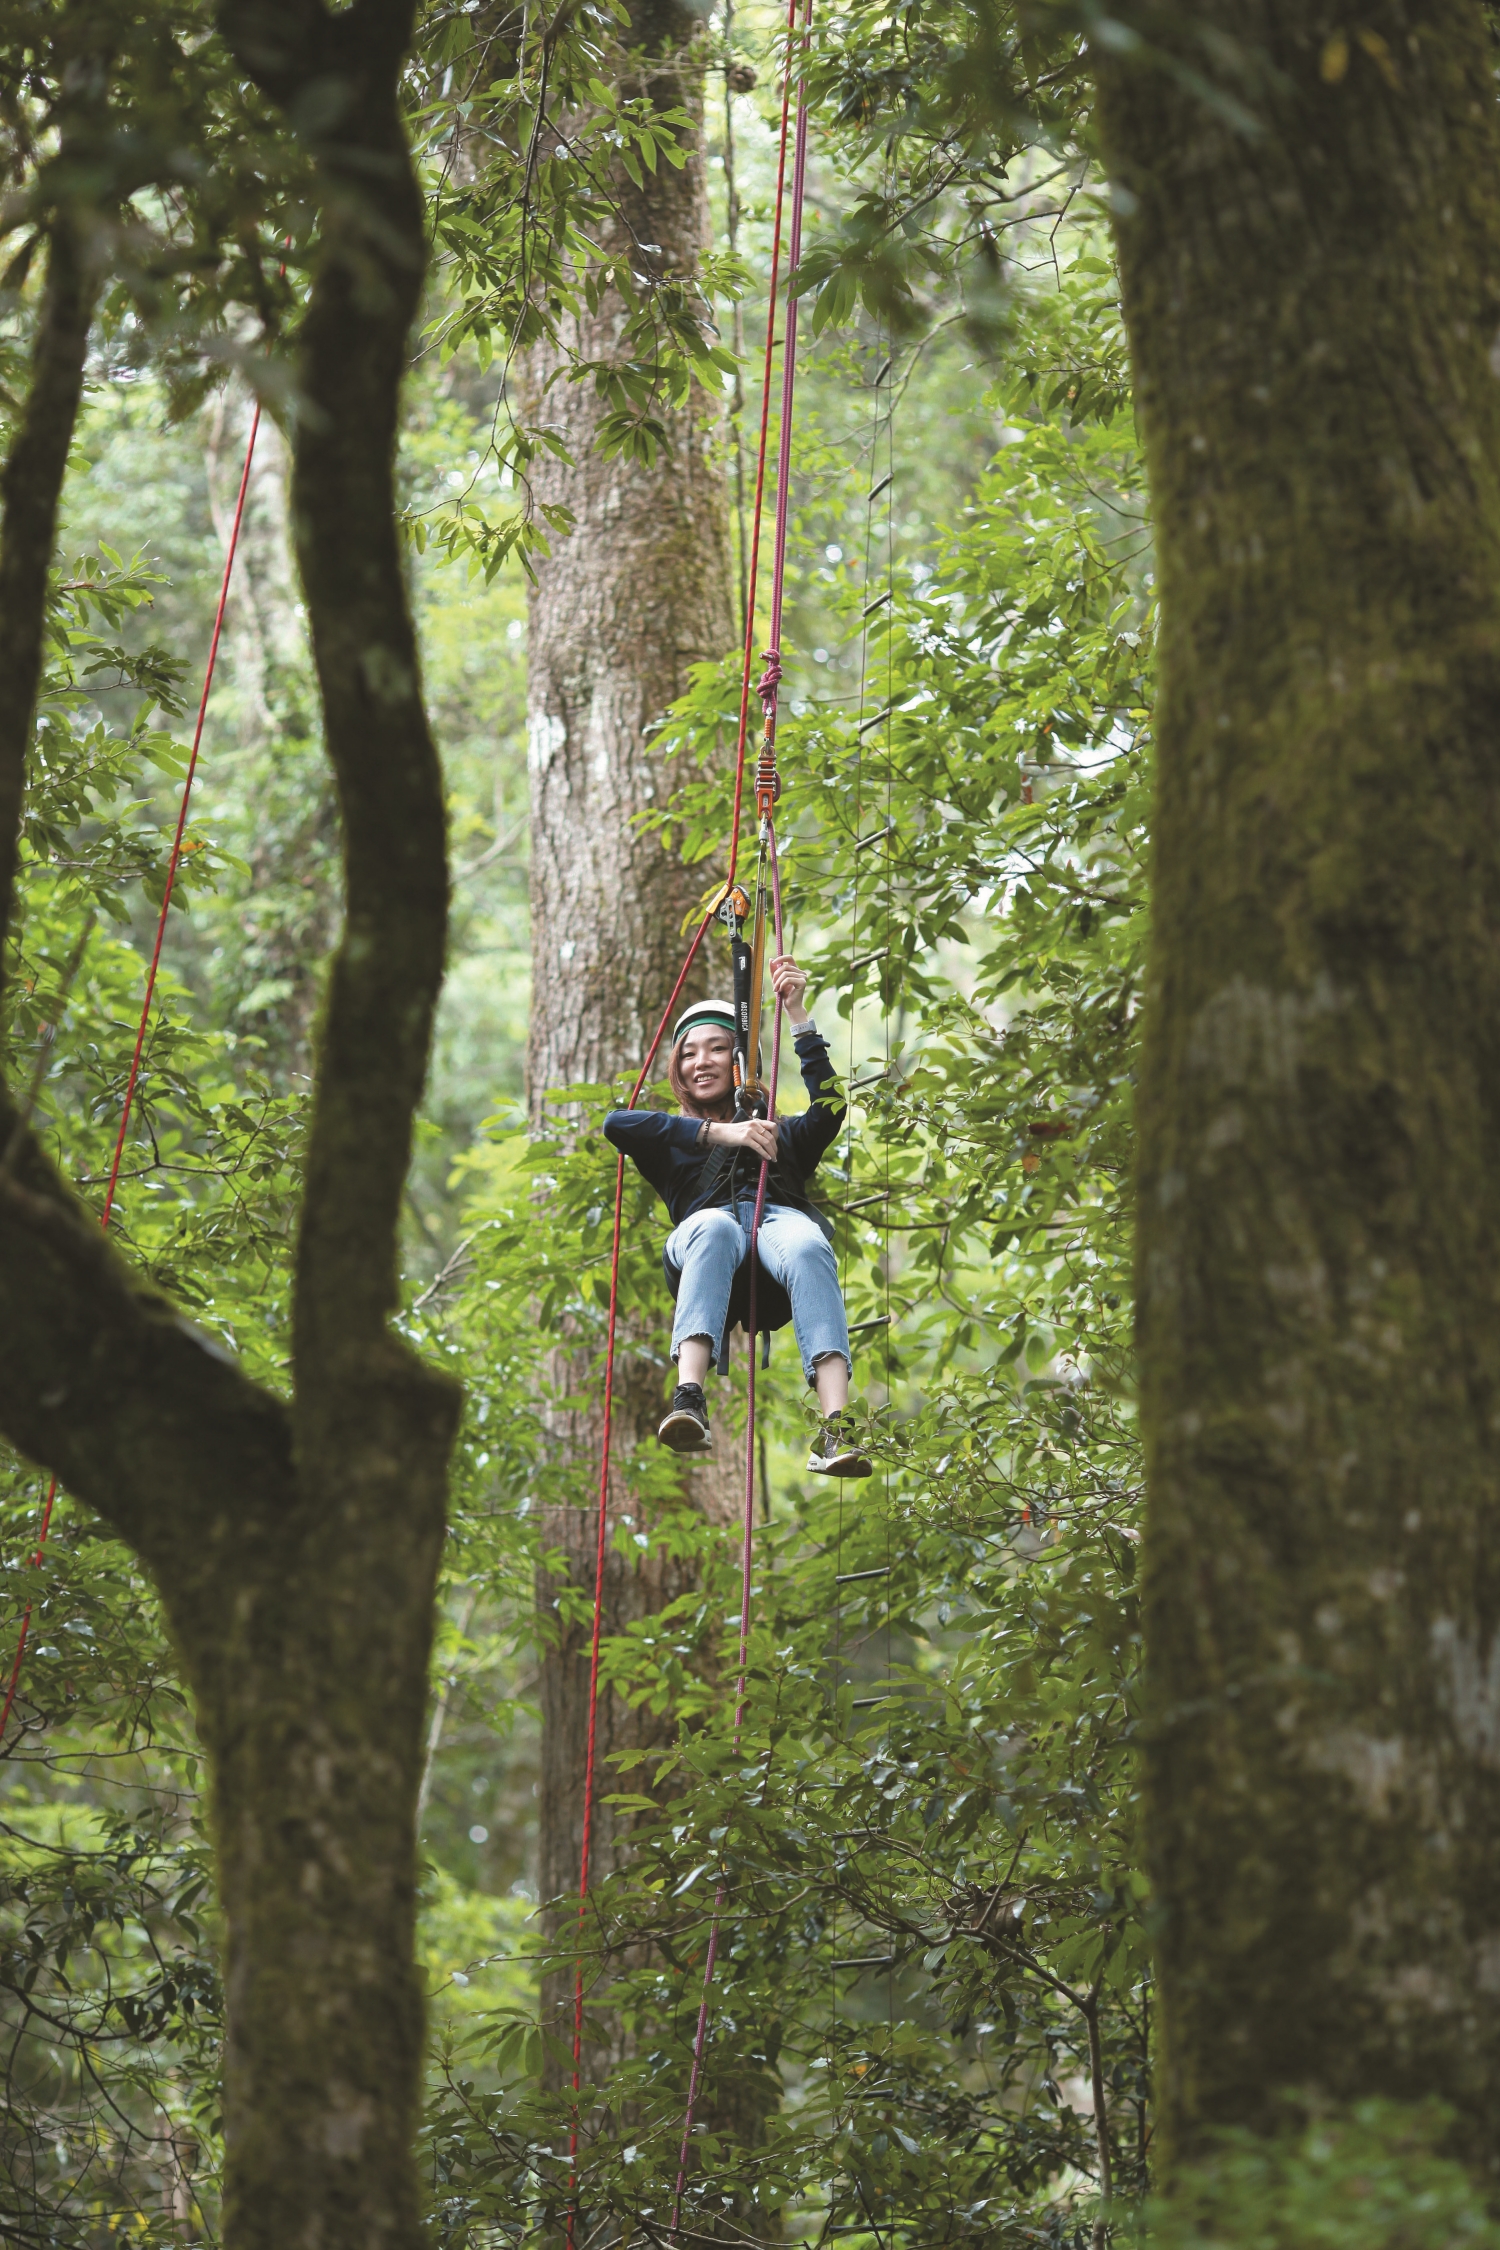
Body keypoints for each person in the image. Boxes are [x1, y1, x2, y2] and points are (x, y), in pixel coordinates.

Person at [603, 955, 872, 1478]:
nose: (700, 1062)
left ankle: (836, 1423)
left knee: (807, 1242)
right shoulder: (672, 1141)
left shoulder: (782, 1135)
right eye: (688, 1054)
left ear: (739, 1063)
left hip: (776, 1240)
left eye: (718, 1048)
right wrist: (720, 1133)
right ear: (677, 1068)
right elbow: (619, 1124)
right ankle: (688, 1397)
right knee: (716, 1225)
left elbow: (830, 1110)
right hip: (706, 1242)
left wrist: (798, 1016)